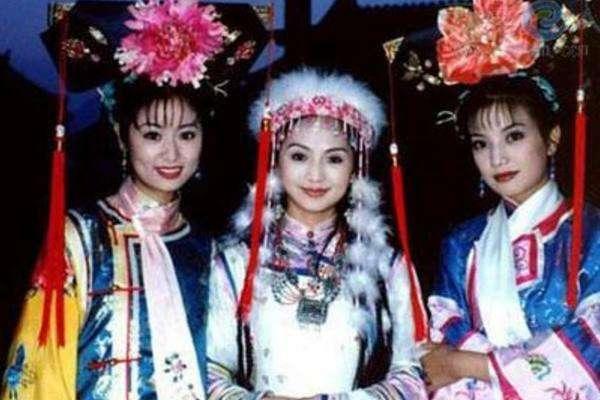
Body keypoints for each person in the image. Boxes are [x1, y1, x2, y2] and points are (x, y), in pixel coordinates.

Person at [1, 1, 263, 399]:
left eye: (187, 134)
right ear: (123, 136)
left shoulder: (210, 250)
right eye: (153, 135)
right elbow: (43, 369)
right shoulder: (80, 237)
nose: (172, 153)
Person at [206, 68, 428, 400]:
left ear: (355, 169)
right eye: (299, 156)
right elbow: (208, 371)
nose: (315, 175)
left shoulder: (387, 267)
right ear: (275, 162)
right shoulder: (236, 264)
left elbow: (414, 375)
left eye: (334, 159)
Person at [422, 75, 600, 399]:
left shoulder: (592, 233)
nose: (497, 158)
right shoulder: (462, 243)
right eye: (481, 143)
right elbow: (442, 345)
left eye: (513, 136)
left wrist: (469, 365)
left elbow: (594, 342)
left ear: (552, 138)